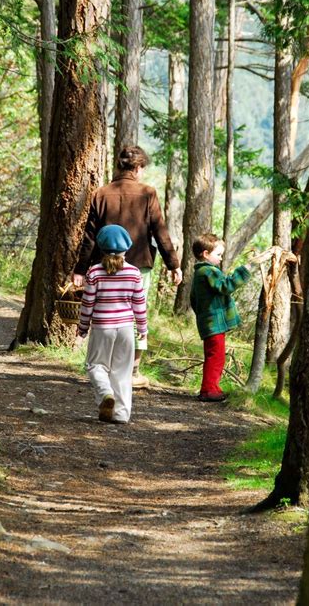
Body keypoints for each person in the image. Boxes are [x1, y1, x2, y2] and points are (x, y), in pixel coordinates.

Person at [73, 145, 182, 389]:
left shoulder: (101, 193)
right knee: (136, 313)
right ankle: (132, 371)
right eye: (143, 168)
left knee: (105, 311)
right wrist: (173, 264)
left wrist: (81, 270)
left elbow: (90, 236)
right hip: (139, 265)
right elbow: (160, 232)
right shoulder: (147, 193)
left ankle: (105, 367)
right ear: (137, 167)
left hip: (104, 265)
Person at [77, 225, 147, 424]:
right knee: (122, 372)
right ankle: (121, 414)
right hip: (126, 328)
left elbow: (87, 303)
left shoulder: (94, 272)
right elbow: (139, 304)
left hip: (102, 327)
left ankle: (105, 392)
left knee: (95, 365)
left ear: (101, 248)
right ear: (127, 248)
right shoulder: (134, 273)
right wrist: (143, 329)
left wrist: (82, 328)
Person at [190, 233, 253, 402]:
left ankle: (212, 387)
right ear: (205, 254)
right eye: (218, 254)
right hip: (213, 324)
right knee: (216, 357)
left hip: (209, 322)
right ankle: (209, 390)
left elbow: (193, 300)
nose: (221, 258)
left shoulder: (201, 273)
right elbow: (226, 286)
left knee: (215, 355)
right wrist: (244, 270)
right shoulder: (208, 272)